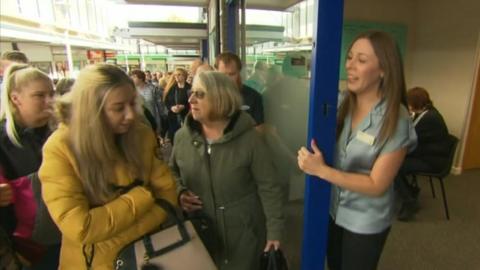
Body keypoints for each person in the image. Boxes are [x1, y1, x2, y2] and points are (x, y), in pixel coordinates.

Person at [297, 31, 417, 270]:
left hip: (365, 222)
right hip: (332, 211)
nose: (350, 65)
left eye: (361, 60)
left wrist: (322, 171)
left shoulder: (397, 119)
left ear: (384, 69)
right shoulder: (340, 104)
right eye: (349, 57)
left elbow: (376, 184)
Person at [38, 64, 177, 269]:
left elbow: (168, 196)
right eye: (119, 108)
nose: (131, 115)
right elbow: (81, 228)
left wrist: (107, 236)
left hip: (148, 258)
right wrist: (143, 197)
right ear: (90, 110)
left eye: (133, 103)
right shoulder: (60, 148)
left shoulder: (142, 135)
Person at [170, 71, 284, 270]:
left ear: (221, 98)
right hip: (199, 233)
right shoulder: (181, 137)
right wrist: (179, 192)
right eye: (191, 92)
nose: (191, 99)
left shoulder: (251, 140)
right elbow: (171, 173)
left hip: (244, 237)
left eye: (200, 94)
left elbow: (269, 187)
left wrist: (274, 231)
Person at [0, 64, 60, 269]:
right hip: (28, 250)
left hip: (69, 234)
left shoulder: (62, 133)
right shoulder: (3, 143)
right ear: (15, 98)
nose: (50, 101)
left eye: (52, 93)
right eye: (39, 95)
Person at [396, 86, 450, 221]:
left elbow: (410, 139)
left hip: (433, 161)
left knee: (394, 167)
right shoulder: (427, 113)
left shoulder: (430, 118)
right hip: (428, 155)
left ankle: (409, 201)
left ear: (414, 103)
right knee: (395, 163)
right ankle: (410, 191)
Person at [215, 52, 264, 128]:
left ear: (239, 72)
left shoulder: (254, 97)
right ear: (216, 73)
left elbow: (259, 128)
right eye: (223, 75)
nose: (227, 79)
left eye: (232, 74)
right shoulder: (208, 97)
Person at [163, 67, 191, 144]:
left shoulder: (190, 88)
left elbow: (192, 103)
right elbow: (166, 101)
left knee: (186, 139)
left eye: (179, 75)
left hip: (186, 117)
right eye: (175, 75)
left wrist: (184, 107)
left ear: (184, 76)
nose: (177, 77)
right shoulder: (171, 88)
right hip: (173, 118)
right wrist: (171, 107)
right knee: (174, 139)